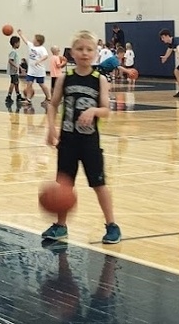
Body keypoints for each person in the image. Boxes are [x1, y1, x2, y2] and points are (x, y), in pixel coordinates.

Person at [43, 29, 121, 245]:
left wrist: (93, 111)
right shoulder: (65, 78)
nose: (85, 53)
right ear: (72, 53)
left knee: (99, 184)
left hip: (89, 141)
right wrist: (51, 128)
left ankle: (112, 225)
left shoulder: (100, 80)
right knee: (64, 185)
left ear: (96, 53)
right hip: (68, 141)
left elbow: (106, 109)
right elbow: (53, 105)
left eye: (89, 49)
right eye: (80, 49)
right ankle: (60, 226)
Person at [19, 30, 51, 108]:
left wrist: (39, 60)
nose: (33, 40)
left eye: (34, 39)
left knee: (41, 84)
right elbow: (26, 41)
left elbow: (46, 56)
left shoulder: (41, 48)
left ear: (38, 41)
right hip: (31, 71)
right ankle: (28, 99)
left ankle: (49, 98)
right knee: (29, 84)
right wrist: (21, 34)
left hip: (39, 70)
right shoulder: (31, 46)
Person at [4, 35, 22, 105]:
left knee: (16, 83)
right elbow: (10, 61)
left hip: (15, 70)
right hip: (13, 71)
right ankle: (8, 96)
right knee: (13, 83)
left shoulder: (14, 51)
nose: (19, 44)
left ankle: (18, 95)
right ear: (15, 43)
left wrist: (19, 67)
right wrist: (16, 67)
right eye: (18, 43)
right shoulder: (13, 52)